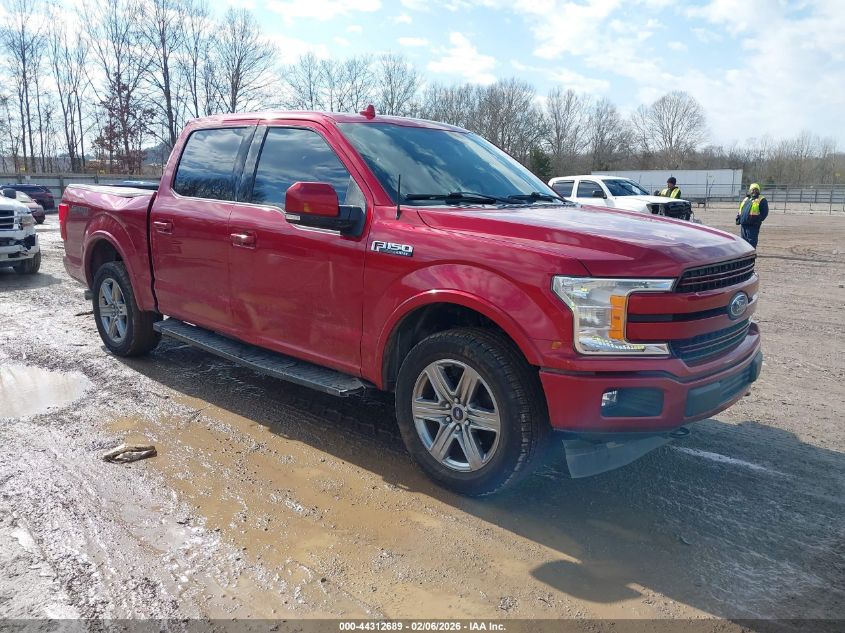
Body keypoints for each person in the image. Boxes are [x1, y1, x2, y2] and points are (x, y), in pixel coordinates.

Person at [736, 183, 768, 248]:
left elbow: (765, 212)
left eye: (756, 189)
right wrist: (739, 217)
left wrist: (758, 220)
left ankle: (751, 255)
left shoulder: (762, 200)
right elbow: (741, 209)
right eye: (753, 189)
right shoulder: (746, 199)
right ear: (750, 190)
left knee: (752, 241)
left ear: (759, 190)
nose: (754, 191)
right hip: (744, 223)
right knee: (744, 241)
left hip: (753, 225)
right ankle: (745, 254)